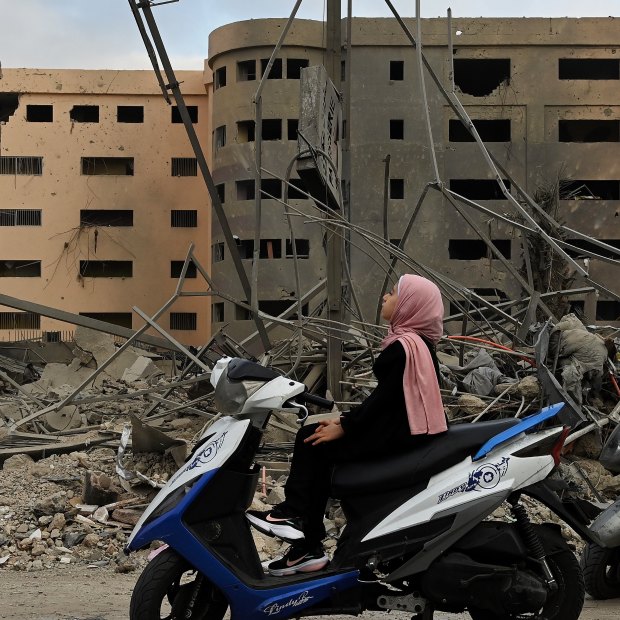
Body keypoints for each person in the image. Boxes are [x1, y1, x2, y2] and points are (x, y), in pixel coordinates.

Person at [247, 274, 448, 576]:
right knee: (319, 443)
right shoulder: (417, 344)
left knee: (309, 438)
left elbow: (384, 400)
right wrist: (345, 421)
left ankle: (296, 517)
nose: (385, 297)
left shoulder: (403, 347)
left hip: (397, 436)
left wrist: (347, 426)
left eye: (393, 293)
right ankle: (307, 548)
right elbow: (390, 401)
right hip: (406, 432)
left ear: (409, 305)